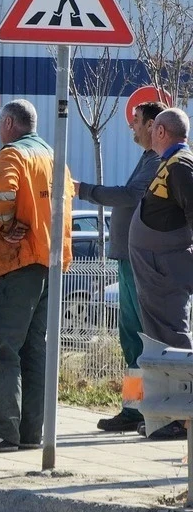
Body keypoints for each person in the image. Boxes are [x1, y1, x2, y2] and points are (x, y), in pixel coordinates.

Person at [0, 99, 73, 453]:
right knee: (33, 350)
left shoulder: (13, 155)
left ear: (8, 123)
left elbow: (0, 191)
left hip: (13, 266)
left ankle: (2, 431)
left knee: (0, 348)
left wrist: (5, 224)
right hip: (46, 267)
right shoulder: (55, 158)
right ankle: (28, 432)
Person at [73, 101, 166, 434]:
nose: (132, 128)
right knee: (130, 338)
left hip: (140, 260)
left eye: (136, 122)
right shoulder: (148, 158)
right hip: (129, 258)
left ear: (154, 125)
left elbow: (130, 195)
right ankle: (133, 408)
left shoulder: (157, 160)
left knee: (141, 338)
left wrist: (83, 190)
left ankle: (147, 408)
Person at [129, 107, 193, 440]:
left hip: (164, 271)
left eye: (155, 129)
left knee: (173, 340)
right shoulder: (169, 163)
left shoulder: (180, 166)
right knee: (158, 341)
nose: (149, 133)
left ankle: (182, 418)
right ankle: (165, 414)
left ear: (163, 132)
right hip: (155, 270)